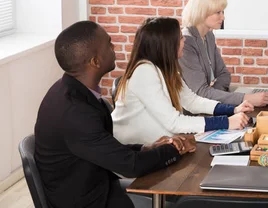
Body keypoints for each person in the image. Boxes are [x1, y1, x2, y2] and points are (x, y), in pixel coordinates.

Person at [34, 21, 194, 208]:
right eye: (109, 44)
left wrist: (146, 148)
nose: (114, 47)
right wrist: (176, 149)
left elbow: (105, 147)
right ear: (95, 61)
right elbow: (131, 166)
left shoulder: (72, 90)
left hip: (98, 186)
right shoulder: (75, 113)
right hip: (90, 201)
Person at [112, 17, 253, 146]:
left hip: (162, 147)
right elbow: (174, 122)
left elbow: (192, 101)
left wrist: (233, 109)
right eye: (180, 38)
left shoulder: (166, 69)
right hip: (136, 157)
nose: (184, 41)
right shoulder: (144, 72)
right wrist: (226, 122)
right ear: (166, 44)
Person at [180, 0, 268, 107]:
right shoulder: (186, 42)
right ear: (202, 12)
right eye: (218, 12)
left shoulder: (208, 35)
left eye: (222, 12)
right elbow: (200, 92)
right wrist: (245, 98)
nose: (223, 17)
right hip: (190, 114)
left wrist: (214, 94)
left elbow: (223, 74)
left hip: (207, 106)